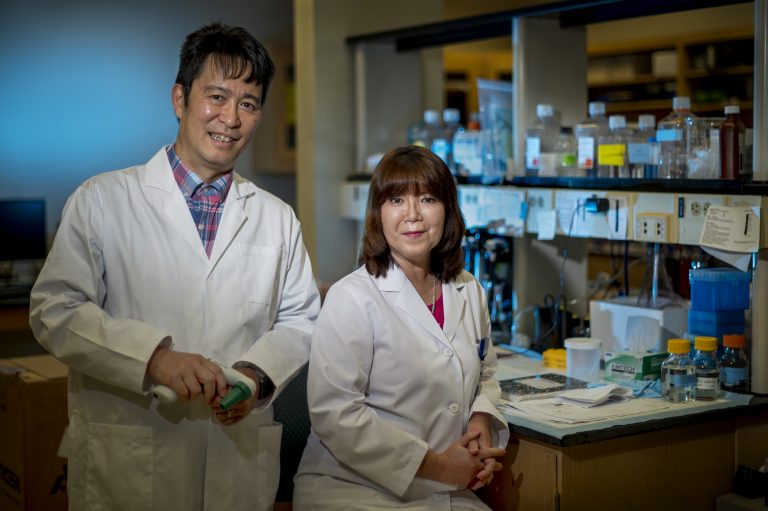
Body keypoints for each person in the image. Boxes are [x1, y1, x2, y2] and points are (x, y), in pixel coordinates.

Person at [29, 22, 320, 511]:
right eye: (217, 97)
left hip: (237, 460)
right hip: (133, 457)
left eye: (248, 104)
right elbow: (54, 310)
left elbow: (301, 320)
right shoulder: (102, 200)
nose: (230, 118)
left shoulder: (276, 217)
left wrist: (254, 376)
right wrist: (153, 358)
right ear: (180, 99)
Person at [293, 145, 510, 510]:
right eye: (396, 200)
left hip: (446, 489)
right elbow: (337, 417)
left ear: (448, 210)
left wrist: (482, 419)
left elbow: (486, 372)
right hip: (355, 490)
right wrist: (440, 465)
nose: (413, 215)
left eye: (427, 199)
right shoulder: (353, 298)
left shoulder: (468, 289)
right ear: (379, 214)